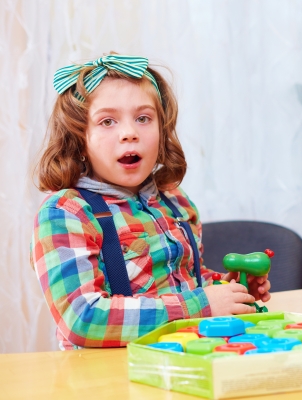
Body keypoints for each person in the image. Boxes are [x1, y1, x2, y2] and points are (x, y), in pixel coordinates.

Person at [31, 54, 270, 350]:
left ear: (162, 130)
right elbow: (83, 318)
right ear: (79, 139)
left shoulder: (175, 201)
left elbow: (184, 281)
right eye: (107, 121)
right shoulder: (66, 212)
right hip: (107, 376)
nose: (130, 133)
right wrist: (201, 305)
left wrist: (226, 289)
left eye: (143, 118)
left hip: (182, 358)